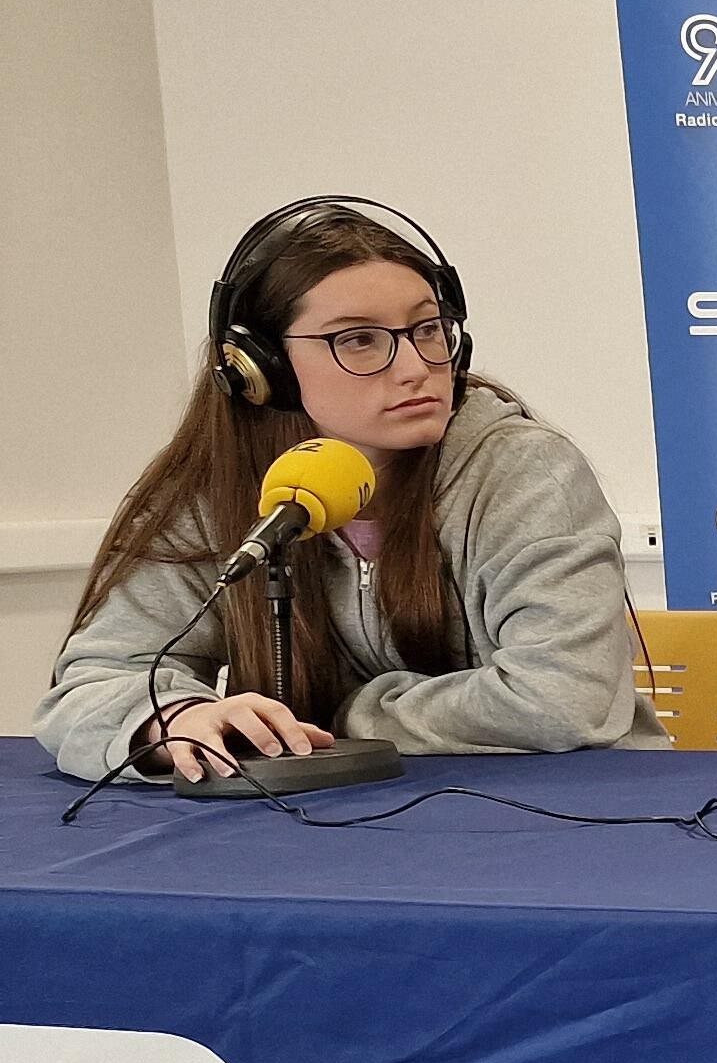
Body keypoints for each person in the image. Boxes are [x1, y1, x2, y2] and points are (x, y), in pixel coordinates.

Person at [44, 196, 662, 781]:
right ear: (263, 370)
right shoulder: (212, 493)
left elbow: (560, 697)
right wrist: (172, 719)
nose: (417, 366)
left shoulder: (525, 471)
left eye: (428, 328)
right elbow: (92, 685)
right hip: (348, 828)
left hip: (564, 814)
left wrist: (343, 719)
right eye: (358, 339)